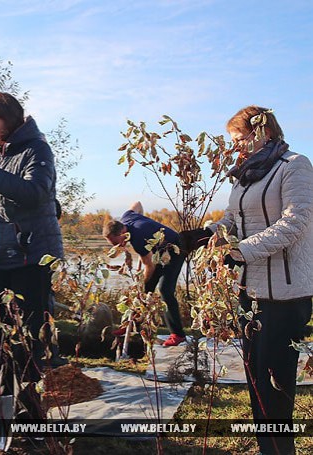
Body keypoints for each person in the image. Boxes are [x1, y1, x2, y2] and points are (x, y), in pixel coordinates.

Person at [186, 106, 313, 455]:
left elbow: (294, 222)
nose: (236, 147)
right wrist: (202, 236)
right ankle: (266, 449)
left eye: (241, 139)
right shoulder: (245, 175)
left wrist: (239, 251)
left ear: (264, 131)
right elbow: (231, 219)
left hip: (286, 294)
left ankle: (280, 451)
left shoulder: (295, 165)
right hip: (251, 291)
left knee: (276, 384)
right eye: (233, 141)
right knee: (256, 380)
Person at [0, 92, 64, 419]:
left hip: (31, 255)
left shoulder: (37, 149)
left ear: (10, 119)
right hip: (0, 254)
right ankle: (6, 402)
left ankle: (32, 414)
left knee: (29, 337)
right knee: (2, 331)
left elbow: (36, 193)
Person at [103, 201, 186, 347]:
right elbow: (137, 204)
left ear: (123, 232)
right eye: (114, 245)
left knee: (164, 290)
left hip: (175, 249)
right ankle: (132, 324)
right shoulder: (126, 217)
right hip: (159, 252)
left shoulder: (138, 239)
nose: (119, 246)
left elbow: (150, 266)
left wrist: (142, 283)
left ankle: (178, 335)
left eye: (119, 242)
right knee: (144, 291)